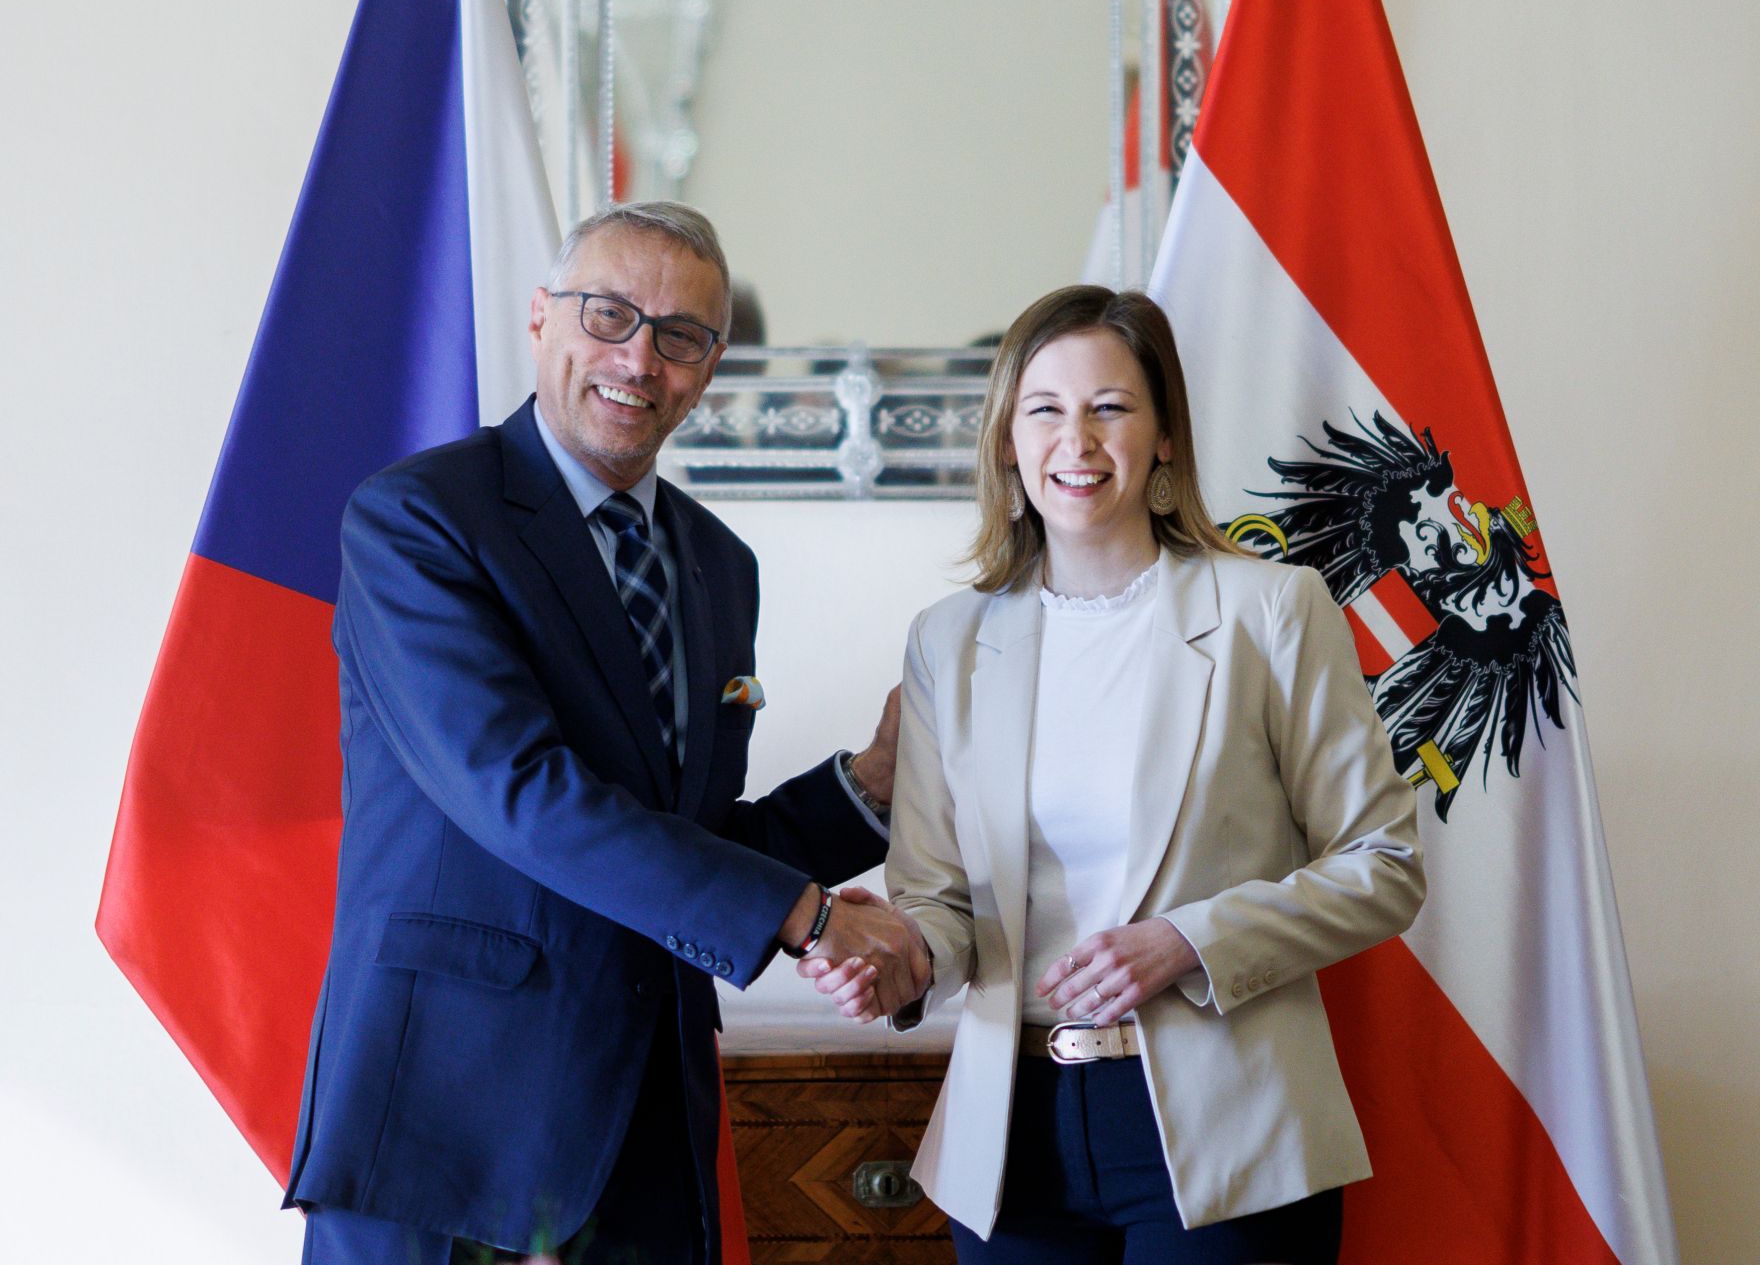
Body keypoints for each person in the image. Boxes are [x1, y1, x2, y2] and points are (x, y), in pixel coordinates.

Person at [285, 201, 929, 1265]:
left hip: (645, 1133)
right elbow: (521, 792)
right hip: (453, 1129)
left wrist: (868, 785)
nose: (640, 358)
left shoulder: (719, 564)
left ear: (709, 368)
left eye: (681, 335)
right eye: (609, 314)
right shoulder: (418, 519)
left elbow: (683, 836)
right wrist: (806, 917)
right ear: (542, 316)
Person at [801, 286, 1425, 1264]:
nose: (1076, 440)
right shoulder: (946, 641)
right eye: (1045, 409)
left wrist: (1187, 939)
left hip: (1228, 1129)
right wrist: (894, 955)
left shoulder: (1270, 609)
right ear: (1008, 439)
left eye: (1110, 406)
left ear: (1164, 435)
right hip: (1012, 1141)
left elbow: (1382, 864)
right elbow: (940, 904)